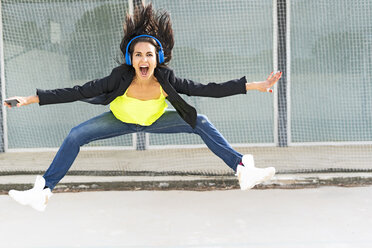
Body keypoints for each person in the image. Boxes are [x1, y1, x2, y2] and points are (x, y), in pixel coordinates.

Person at [5, 3, 282, 212]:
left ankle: (242, 168)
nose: (144, 59)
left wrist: (254, 85)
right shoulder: (119, 77)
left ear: (156, 58)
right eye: (138, 54)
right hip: (120, 120)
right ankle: (42, 191)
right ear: (132, 59)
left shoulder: (166, 79)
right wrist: (29, 99)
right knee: (75, 135)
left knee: (202, 122)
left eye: (149, 54)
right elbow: (77, 91)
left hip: (156, 121)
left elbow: (207, 89)